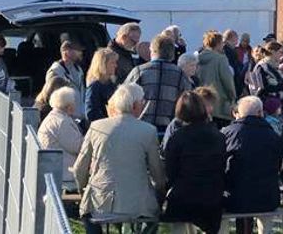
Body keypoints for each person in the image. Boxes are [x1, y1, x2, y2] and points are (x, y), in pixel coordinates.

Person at [73, 83, 166, 234]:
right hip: (138, 205)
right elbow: (158, 174)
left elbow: (79, 169)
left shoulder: (96, 127)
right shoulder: (148, 131)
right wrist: (160, 194)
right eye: (142, 103)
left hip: (99, 201)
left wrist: (83, 190)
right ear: (136, 105)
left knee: (87, 215)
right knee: (152, 219)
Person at [162, 91, 226, 234]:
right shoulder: (219, 136)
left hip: (184, 196)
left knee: (179, 223)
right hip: (212, 197)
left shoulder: (177, 138)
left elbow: (170, 172)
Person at [221, 96, 282, 234]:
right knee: (266, 218)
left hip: (234, 198)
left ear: (238, 113)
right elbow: (278, 166)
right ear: (261, 113)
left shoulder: (227, 134)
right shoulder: (274, 136)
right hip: (267, 199)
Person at [126, 35, 192, 136]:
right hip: (170, 130)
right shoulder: (181, 75)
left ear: (152, 51)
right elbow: (188, 103)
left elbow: (124, 100)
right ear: (172, 52)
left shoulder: (138, 71)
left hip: (141, 127)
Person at [37, 87, 84, 186]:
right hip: (65, 175)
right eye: (73, 102)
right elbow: (78, 146)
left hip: (54, 170)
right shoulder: (62, 122)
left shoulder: (54, 118)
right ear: (68, 106)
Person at [198, 31, 237, 127]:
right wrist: (233, 97)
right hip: (219, 104)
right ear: (218, 44)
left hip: (201, 104)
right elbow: (227, 81)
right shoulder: (221, 59)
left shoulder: (198, 59)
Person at [163, 85, 219, 150]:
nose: (211, 108)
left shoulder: (210, 123)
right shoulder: (177, 123)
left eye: (211, 105)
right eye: (206, 105)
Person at [46, 41, 86, 115]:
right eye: (77, 51)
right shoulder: (56, 71)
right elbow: (50, 97)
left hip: (79, 115)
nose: (80, 53)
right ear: (66, 53)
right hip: (64, 116)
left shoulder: (78, 70)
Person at [85, 47, 119, 123]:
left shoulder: (112, 84)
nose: (116, 65)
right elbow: (90, 113)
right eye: (112, 62)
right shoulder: (95, 86)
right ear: (103, 64)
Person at [223, 29, 245, 97]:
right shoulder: (228, 52)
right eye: (235, 40)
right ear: (228, 40)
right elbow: (235, 70)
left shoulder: (230, 51)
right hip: (232, 86)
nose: (236, 43)